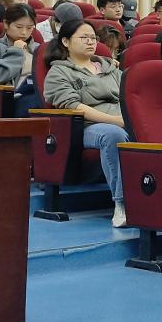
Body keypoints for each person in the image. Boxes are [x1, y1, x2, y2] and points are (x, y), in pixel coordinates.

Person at [43, 20, 128, 227]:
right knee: (112, 134)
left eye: (93, 38)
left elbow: (130, 96)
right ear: (66, 41)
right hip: (85, 127)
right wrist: (117, 121)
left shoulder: (110, 68)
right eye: (84, 38)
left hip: (123, 120)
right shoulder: (59, 72)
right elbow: (74, 107)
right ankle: (122, 205)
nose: (90, 42)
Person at [0, 4, 42, 117]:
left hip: (39, 93)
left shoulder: (38, 48)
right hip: (13, 98)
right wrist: (16, 51)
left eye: (29, 28)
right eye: (19, 27)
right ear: (6, 24)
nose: (24, 32)